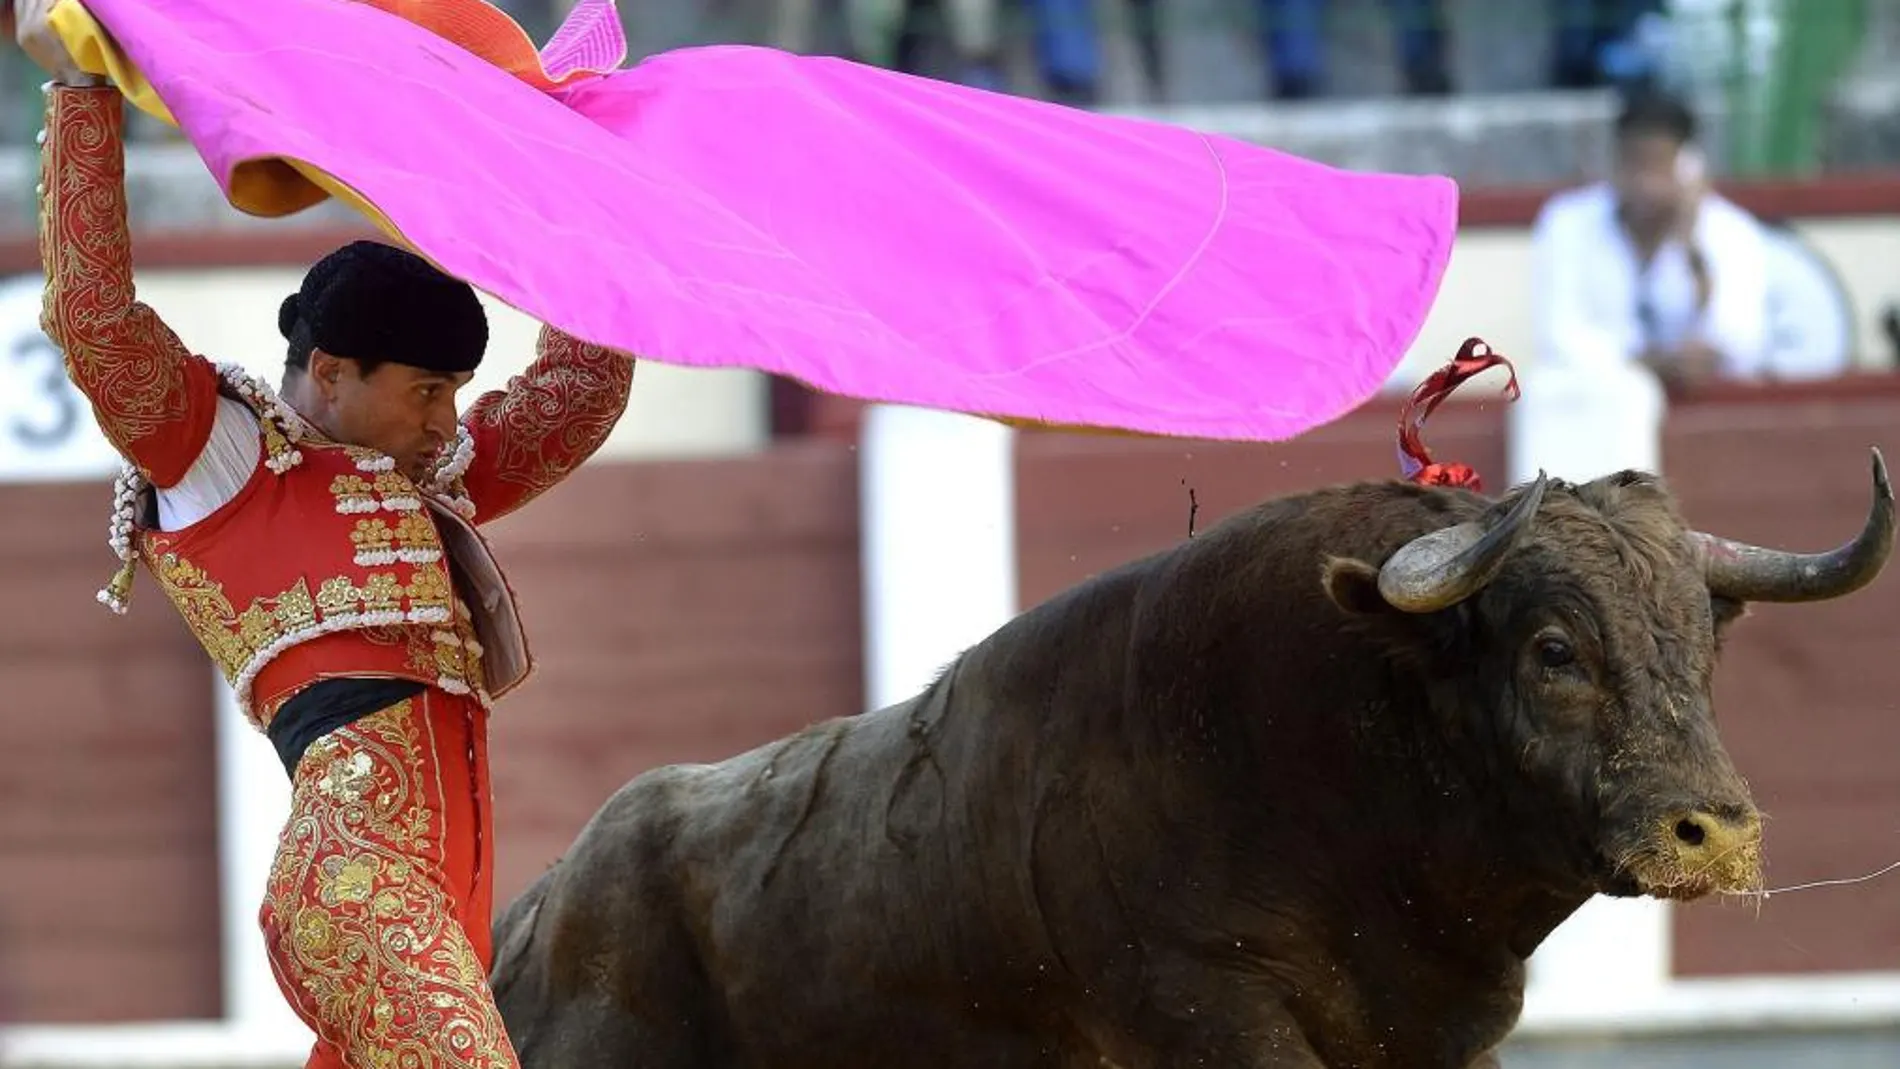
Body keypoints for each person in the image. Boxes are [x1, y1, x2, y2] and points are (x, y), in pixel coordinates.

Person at [16, 0, 634, 1063]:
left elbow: (582, 385)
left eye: (456, 392)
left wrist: (566, 179)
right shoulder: (222, 456)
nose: (448, 419)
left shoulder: (424, 477)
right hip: (353, 879)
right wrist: (79, 94)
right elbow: (93, 320)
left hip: (448, 896)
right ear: (333, 374)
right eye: (428, 390)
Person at [1529, 88, 1771, 396]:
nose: (1644, 181)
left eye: (1658, 164)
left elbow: (1746, 339)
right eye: (1633, 163)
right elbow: (1556, 335)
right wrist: (1637, 363)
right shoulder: (1567, 222)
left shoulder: (1731, 231)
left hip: (1698, 406)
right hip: (1598, 402)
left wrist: (1690, 242)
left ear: (1689, 165)